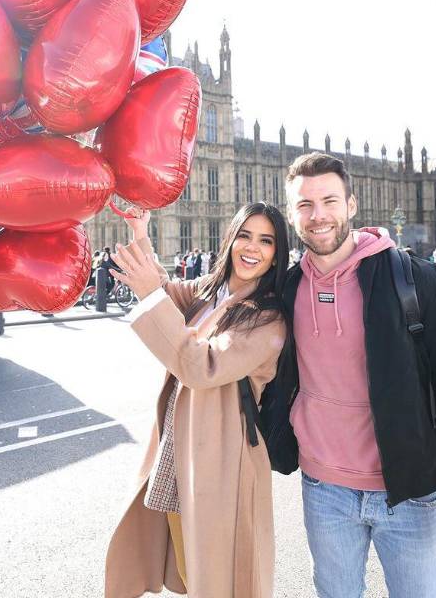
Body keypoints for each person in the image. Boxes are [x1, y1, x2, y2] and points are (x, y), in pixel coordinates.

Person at [279, 153, 436, 597]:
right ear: (291, 213)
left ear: (352, 205)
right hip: (324, 491)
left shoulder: (417, 279)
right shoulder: (287, 288)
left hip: (409, 493)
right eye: (305, 205)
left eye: (329, 201)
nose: (318, 215)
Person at [105, 202, 291, 598]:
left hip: (224, 457)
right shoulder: (210, 290)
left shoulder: (267, 320)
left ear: (277, 253)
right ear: (230, 238)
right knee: (193, 563)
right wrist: (141, 232)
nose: (252, 247)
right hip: (181, 449)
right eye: (244, 235)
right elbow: (165, 294)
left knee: (223, 573)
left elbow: (203, 365)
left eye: (266, 240)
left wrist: (149, 295)